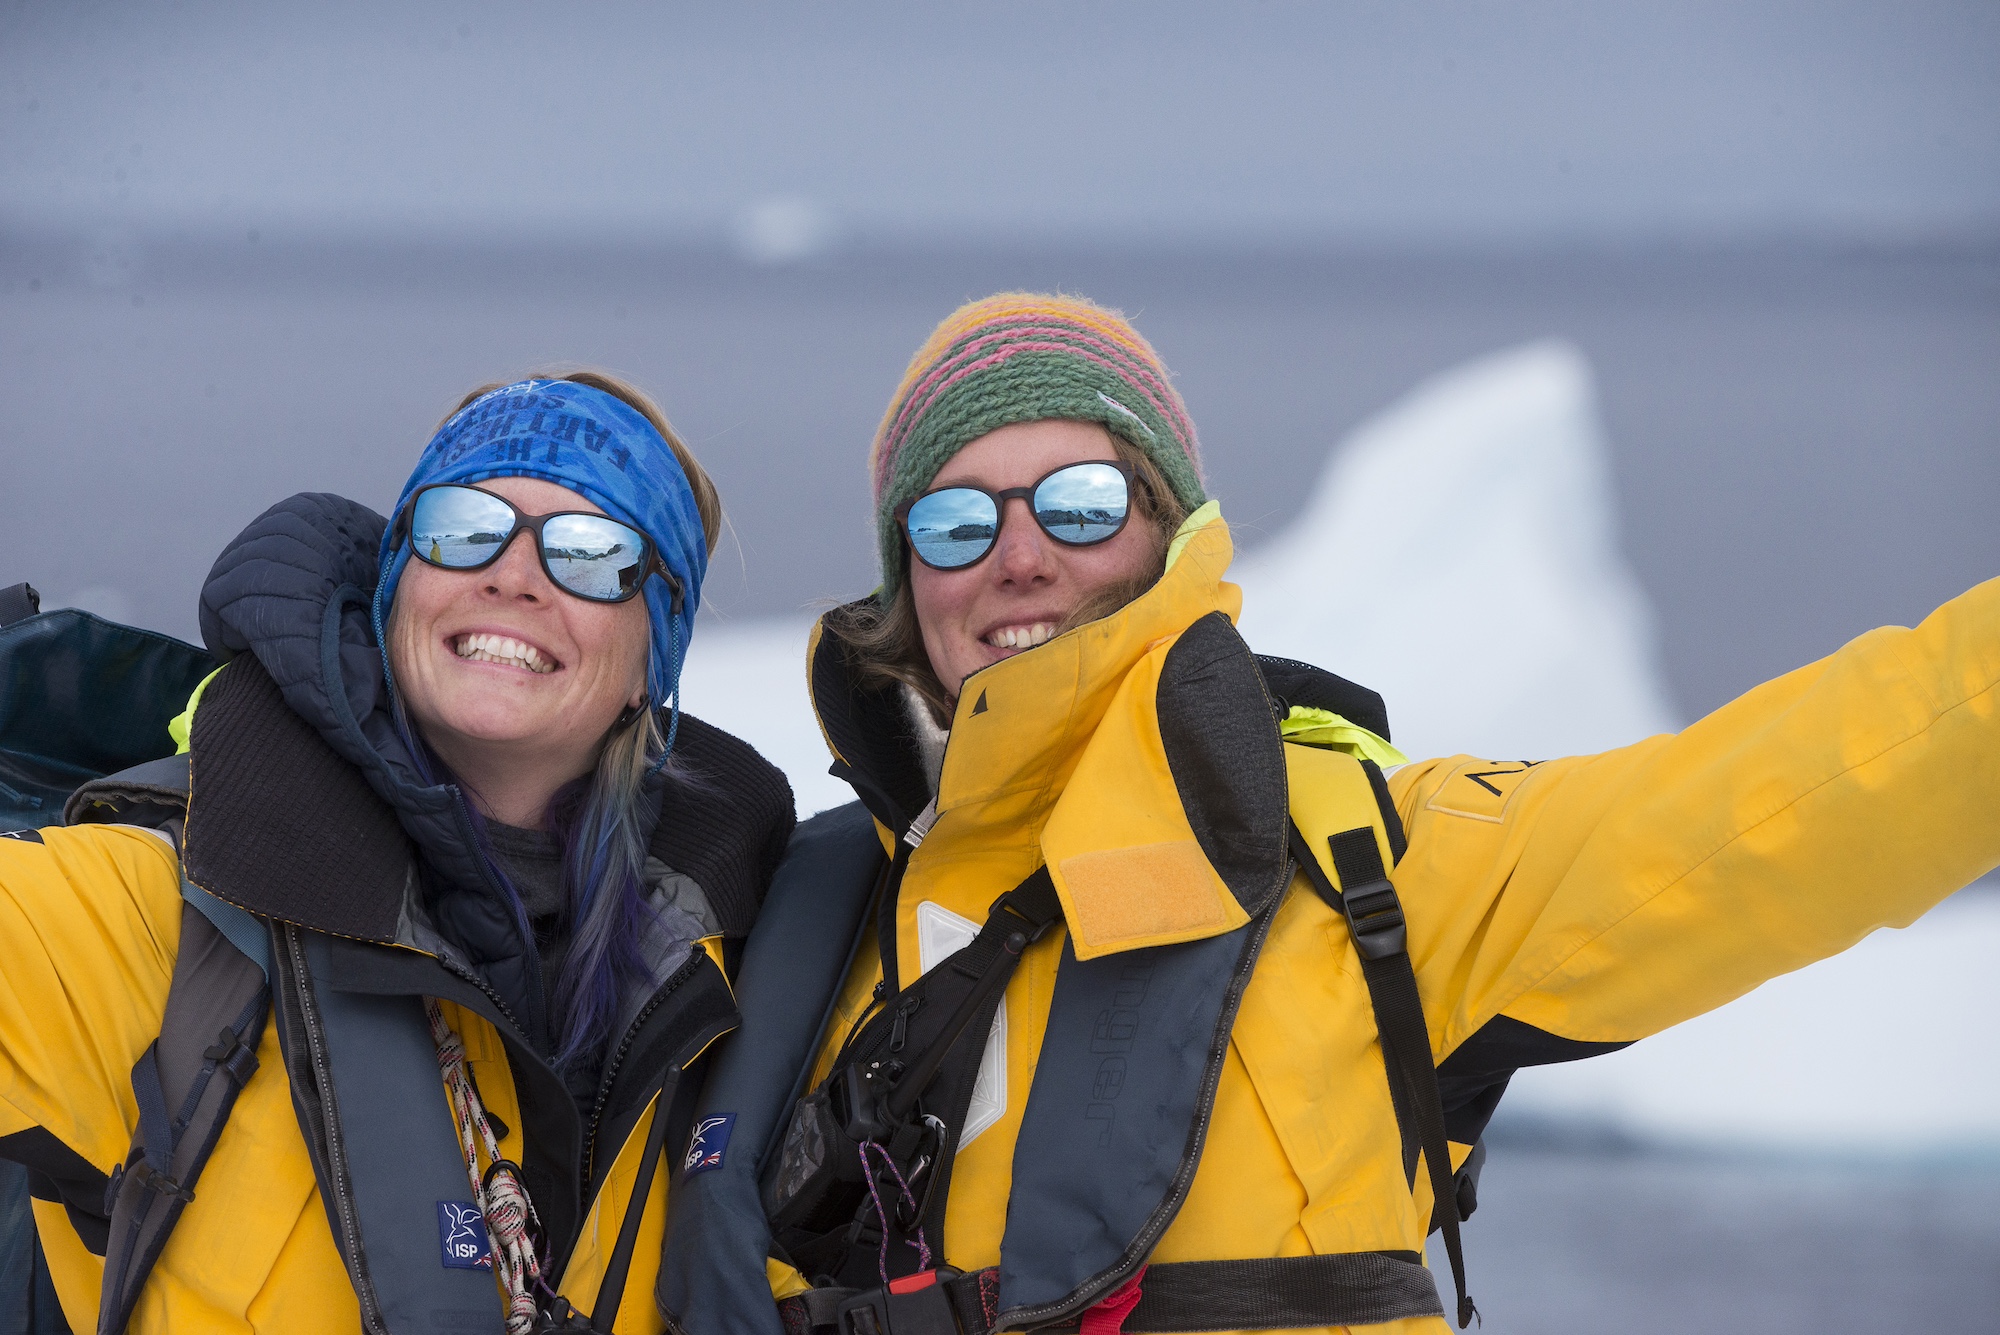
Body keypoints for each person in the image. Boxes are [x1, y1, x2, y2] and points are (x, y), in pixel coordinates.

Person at [657, 293, 2000, 1335]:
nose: (1019, 552)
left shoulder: (1380, 867)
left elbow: (1802, 794)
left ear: (1171, 533)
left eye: (1079, 498)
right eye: (953, 520)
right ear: (908, 585)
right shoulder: (817, 931)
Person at [0, 372, 794, 1334]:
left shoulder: (738, 971)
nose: (513, 573)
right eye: (464, 525)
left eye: (593, 552)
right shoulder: (159, 903)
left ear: (648, 665)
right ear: (396, 587)